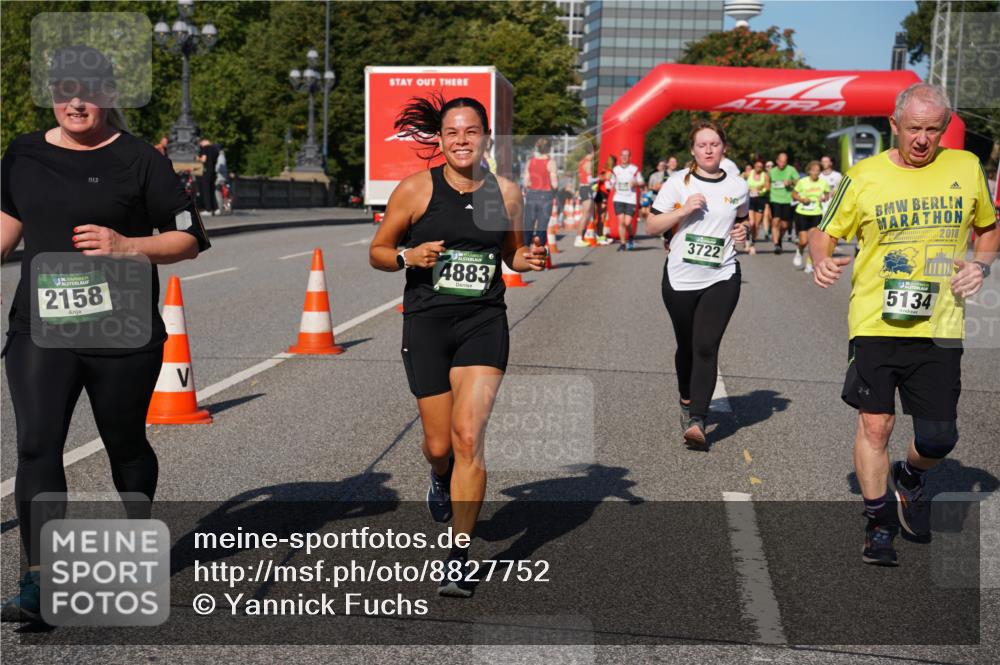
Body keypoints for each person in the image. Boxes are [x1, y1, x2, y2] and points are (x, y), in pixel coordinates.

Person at [0, 46, 210, 623]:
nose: (75, 102)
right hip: (41, 325)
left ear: (110, 95)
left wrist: (127, 245)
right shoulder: (22, 153)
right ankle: (39, 581)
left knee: (126, 445)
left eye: (87, 91)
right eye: (63, 90)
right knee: (37, 444)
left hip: (122, 330)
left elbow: (189, 239)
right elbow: (7, 229)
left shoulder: (140, 159)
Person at [808, 83, 998, 566]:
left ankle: (910, 476)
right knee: (876, 424)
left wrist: (982, 265)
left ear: (945, 128)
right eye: (914, 128)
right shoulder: (864, 176)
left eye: (933, 129)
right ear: (894, 125)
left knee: (939, 438)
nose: (922, 139)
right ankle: (878, 525)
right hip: (876, 320)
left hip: (941, 324)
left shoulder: (965, 167)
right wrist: (820, 259)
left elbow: (988, 228)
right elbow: (823, 233)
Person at [369, 94, 547, 597]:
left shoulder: (503, 192)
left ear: (485, 138)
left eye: (471, 132)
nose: (461, 140)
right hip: (427, 325)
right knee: (439, 446)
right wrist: (408, 257)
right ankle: (439, 476)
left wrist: (527, 259)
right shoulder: (417, 190)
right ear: (441, 140)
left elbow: (510, 252)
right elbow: (378, 252)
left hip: (482, 323)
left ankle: (458, 557)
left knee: (469, 437)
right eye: (452, 133)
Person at [646, 121, 749, 449]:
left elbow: (743, 220)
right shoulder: (678, 183)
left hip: (722, 275)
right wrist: (683, 210)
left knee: (706, 345)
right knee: (687, 346)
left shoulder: (738, 185)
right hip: (680, 277)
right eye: (702, 145)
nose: (708, 150)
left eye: (714, 144)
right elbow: (651, 225)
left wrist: (744, 231)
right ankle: (686, 398)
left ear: (723, 148)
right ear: (692, 150)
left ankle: (697, 421)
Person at [791, 160, 830, 273]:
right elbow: (793, 194)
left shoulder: (823, 183)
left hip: (816, 213)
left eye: (818, 171)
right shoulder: (802, 182)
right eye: (813, 170)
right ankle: (799, 251)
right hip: (802, 213)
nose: (815, 173)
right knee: (803, 241)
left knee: (813, 241)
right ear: (809, 171)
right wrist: (801, 199)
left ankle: (809, 264)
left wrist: (824, 198)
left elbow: (827, 195)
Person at [521, 137, 558, 247]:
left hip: (531, 195)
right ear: (549, 148)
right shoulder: (551, 162)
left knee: (528, 226)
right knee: (542, 227)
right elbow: (555, 184)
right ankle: (539, 251)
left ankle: (525, 250)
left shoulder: (530, 161)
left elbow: (526, 183)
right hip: (545, 197)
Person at [611, 148, 644, 251]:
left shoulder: (634, 169)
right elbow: (611, 182)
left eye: (627, 155)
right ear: (620, 157)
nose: (624, 157)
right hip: (618, 198)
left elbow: (642, 182)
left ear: (630, 157)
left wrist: (636, 183)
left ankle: (631, 237)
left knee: (627, 222)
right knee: (621, 222)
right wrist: (610, 184)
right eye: (623, 155)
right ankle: (622, 244)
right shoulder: (615, 169)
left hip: (630, 199)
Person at [768, 152, 798, 255]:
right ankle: (776, 244)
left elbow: (798, 181)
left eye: (784, 162)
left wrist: (790, 182)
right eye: (780, 161)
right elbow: (767, 183)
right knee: (775, 221)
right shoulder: (772, 171)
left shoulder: (791, 170)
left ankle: (779, 238)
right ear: (777, 161)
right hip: (774, 199)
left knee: (784, 225)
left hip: (787, 199)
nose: (782, 164)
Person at [745, 159, 770, 255]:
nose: (759, 168)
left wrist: (760, 190)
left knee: (756, 225)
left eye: (760, 167)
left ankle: (752, 244)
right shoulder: (748, 173)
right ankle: (747, 241)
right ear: (754, 166)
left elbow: (768, 187)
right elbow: (740, 182)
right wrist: (749, 189)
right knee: (751, 223)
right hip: (750, 199)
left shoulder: (765, 175)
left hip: (760, 200)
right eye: (757, 166)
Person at [574, 152, 596, 247]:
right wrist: (600, 178)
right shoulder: (588, 162)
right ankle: (579, 238)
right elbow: (589, 180)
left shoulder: (581, 162)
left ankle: (581, 237)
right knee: (585, 215)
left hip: (583, 188)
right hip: (586, 188)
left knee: (587, 214)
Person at [594, 155, 616, 244]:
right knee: (601, 216)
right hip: (602, 194)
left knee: (601, 216)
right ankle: (599, 235)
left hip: (603, 194)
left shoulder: (606, 170)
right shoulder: (608, 171)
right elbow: (604, 178)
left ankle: (600, 235)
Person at [197, 137, 220, 216]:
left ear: (203, 141)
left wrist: (197, 158)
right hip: (213, 172)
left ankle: (208, 209)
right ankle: (216, 209)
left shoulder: (205, 148)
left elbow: (204, 159)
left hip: (206, 171)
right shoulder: (215, 149)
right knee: (212, 191)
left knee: (206, 191)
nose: (200, 145)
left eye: (200, 144)